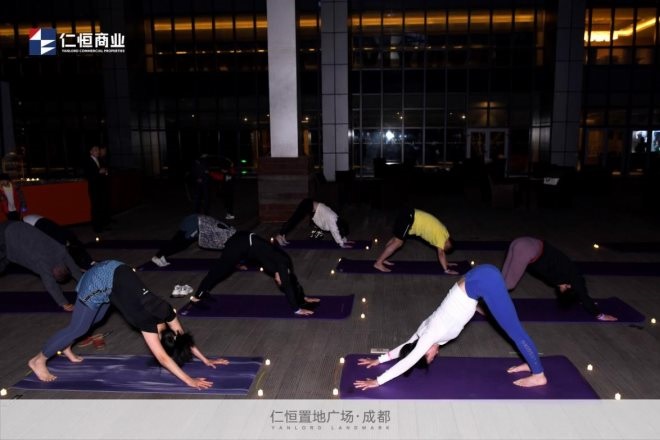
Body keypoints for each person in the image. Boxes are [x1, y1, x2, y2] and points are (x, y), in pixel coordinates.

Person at [27, 260, 229, 389]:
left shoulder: (167, 312)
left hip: (116, 272)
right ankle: (38, 360)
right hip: (99, 280)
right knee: (78, 327)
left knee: (94, 320)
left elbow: (183, 340)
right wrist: (189, 380)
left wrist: (206, 360)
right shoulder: (148, 321)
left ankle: (67, 346)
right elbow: (163, 358)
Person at [353, 264, 547, 390]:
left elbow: (409, 360)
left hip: (484, 281)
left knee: (515, 332)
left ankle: (539, 376)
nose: (435, 356)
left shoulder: (430, 334)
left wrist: (377, 381)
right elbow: (407, 346)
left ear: (424, 352)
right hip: (476, 277)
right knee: (512, 329)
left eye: (430, 357)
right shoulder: (424, 331)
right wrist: (379, 360)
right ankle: (532, 364)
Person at [187, 231, 319, 316]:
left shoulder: (284, 269)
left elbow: (293, 283)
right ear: (284, 275)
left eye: (279, 283)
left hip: (247, 244)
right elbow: (288, 286)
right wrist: (297, 309)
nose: (277, 281)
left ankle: (205, 292)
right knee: (218, 272)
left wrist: (303, 298)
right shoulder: (282, 265)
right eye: (280, 281)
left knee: (225, 269)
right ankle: (196, 298)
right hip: (238, 244)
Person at [501, 236, 617, 321]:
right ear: (568, 287)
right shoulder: (573, 276)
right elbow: (582, 292)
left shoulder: (565, 278)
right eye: (562, 291)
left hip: (521, 242)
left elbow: (581, 294)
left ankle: (489, 298)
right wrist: (600, 315)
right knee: (509, 284)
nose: (558, 290)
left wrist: (584, 300)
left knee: (501, 279)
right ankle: (490, 305)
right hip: (527, 249)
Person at [0, 221, 82, 311]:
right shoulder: (44, 264)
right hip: (6, 235)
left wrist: (89, 286)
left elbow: (75, 270)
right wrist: (64, 304)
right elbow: (51, 285)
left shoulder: (61, 251)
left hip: (16, 226)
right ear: (52, 275)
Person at [373, 208, 457, 274]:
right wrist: (447, 270)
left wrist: (446, 262)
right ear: (448, 245)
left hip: (408, 213)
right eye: (445, 248)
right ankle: (378, 263)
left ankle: (382, 259)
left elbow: (443, 253)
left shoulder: (445, 233)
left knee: (396, 239)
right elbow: (441, 253)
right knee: (398, 242)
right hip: (410, 218)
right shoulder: (442, 238)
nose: (442, 247)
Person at [151, 214, 236, 267]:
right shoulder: (226, 233)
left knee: (182, 245)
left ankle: (162, 255)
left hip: (197, 223)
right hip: (193, 223)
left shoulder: (228, 231)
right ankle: (157, 256)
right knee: (178, 242)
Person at [23, 214, 95, 270]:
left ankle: (87, 262)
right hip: (36, 224)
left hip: (39, 223)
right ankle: (86, 263)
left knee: (69, 246)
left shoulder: (67, 238)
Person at [275, 198, 353, 248]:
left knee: (294, 221)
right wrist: (341, 244)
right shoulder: (333, 220)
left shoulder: (336, 218)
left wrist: (344, 240)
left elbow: (339, 230)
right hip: (308, 205)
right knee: (293, 221)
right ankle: (279, 236)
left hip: (309, 205)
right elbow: (335, 231)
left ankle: (282, 236)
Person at [83, 146, 109, 233]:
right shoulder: (88, 161)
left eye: (98, 150)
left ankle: (101, 225)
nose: (98, 151)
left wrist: (105, 172)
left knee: (101, 206)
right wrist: (98, 172)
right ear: (91, 152)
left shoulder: (99, 160)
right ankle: (96, 227)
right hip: (94, 188)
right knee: (95, 207)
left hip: (100, 187)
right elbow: (88, 175)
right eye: (95, 150)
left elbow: (102, 170)